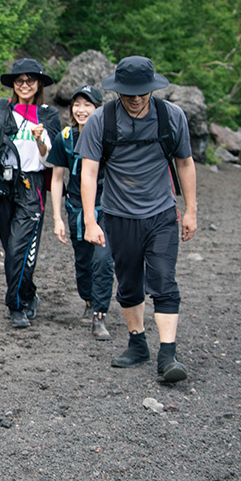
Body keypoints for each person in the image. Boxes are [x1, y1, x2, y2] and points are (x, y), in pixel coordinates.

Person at [79, 56, 198, 384]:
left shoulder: (171, 117)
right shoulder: (101, 121)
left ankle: (168, 353)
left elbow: (185, 163)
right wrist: (90, 220)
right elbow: (89, 171)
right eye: (127, 92)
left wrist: (190, 210)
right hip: (118, 216)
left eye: (140, 92)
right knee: (129, 281)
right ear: (117, 90)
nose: (134, 98)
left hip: (161, 213)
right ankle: (137, 343)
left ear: (152, 89)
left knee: (163, 279)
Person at [0, 58, 62, 328]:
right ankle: (28, 292)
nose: (24, 85)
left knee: (21, 246)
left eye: (30, 80)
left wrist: (40, 139)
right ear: (13, 84)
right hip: (2, 184)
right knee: (11, 248)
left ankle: (16, 305)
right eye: (19, 81)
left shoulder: (48, 115)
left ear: (39, 83)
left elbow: (52, 159)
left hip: (31, 186)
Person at [46, 85, 114, 340]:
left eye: (88, 104)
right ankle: (88, 301)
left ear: (98, 109)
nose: (82, 110)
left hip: (106, 205)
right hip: (75, 206)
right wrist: (56, 218)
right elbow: (56, 179)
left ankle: (100, 314)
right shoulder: (65, 137)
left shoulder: (109, 137)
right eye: (77, 104)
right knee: (84, 261)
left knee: (104, 260)